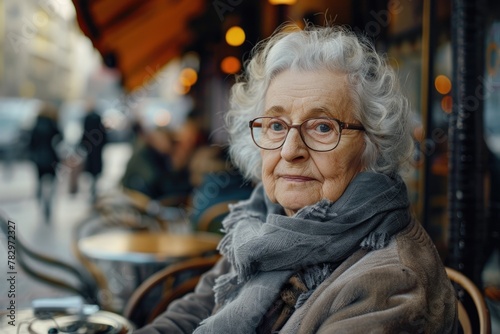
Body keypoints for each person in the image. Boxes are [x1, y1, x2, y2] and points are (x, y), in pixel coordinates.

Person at [133, 24, 458, 333]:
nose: (290, 151)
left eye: (322, 127)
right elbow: (191, 313)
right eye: (276, 126)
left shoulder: (391, 281)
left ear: (373, 145)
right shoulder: (264, 226)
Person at [28, 102, 62, 222]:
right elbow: (60, 138)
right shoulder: (53, 123)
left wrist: (32, 154)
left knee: (40, 180)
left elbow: (31, 141)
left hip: (38, 157)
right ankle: (49, 200)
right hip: (51, 156)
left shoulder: (36, 123)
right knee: (52, 180)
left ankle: (40, 195)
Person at [80, 105, 107, 202]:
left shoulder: (87, 118)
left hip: (90, 146)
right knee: (96, 167)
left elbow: (84, 132)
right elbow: (103, 133)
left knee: (91, 167)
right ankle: (94, 188)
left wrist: (83, 143)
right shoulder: (98, 118)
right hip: (97, 146)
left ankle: (93, 188)